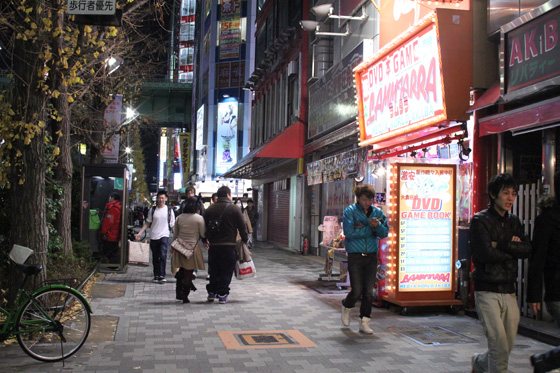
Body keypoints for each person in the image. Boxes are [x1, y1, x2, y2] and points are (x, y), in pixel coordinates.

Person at [470, 173, 532, 373]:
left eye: (513, 194)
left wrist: (501, 245)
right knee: (499, 346)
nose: (510, 198)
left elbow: (527, 249)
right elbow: (485, 253)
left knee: (506, 346)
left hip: (509, 290)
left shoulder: (514, 221)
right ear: (493, 194)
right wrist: (512, 248)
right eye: (506, 193)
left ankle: (479, 363)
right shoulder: (480, 220)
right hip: (486, 290)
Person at [340, 184, 389, 334]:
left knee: (368, 291)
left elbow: (384, 233)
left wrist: (378, 225)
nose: (366, 202)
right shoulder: (350, 211)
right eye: (363, 199)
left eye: (369, 200)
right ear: (358, 199)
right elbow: (349, 232)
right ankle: (346, 307)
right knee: (357, 290)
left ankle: (365, 321)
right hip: (355, 255)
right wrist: (370, 228)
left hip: (371, 256)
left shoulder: (378, 212)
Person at [527, 172, 560, 373]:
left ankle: (544, 361)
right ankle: (544, 362)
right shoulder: (547, 218)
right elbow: (537, 259)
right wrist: (533, 295)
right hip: (557, 291)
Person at [203, 186, 248, 304]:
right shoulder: (234, 209)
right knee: (226, 270)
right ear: (228, 195)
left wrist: (204, 240)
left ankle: (212, 292)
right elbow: (242, 227)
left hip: (214, 246)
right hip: (229, 245)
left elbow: (204, 227)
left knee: (214, 269)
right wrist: (245, 239)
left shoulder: (210, 209)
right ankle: (222, 293)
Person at [172, 197, 208, 303]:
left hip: (179, 247)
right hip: (192, 248)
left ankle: (179, 291)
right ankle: (185, 294)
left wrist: (172, 247)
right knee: (188, 272)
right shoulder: (199, 218)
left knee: (181, 269)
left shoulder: (179, 218)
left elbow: (175, 234)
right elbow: (202, 234)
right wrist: (206, 241)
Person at [136, 190, 175, 284]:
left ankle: (162, 275)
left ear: (166, 199)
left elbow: (172, 225)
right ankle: (156, 275)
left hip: (164, 235)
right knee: (155, 256)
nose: (161, 200)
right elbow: (148, 222)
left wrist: (176, 236)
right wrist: (140, 232)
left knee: (163, 255)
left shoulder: (169, 210)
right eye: (159, 198)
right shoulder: (152, 210)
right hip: (153, 236)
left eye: (163, 198)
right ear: (157, 199)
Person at [100, 192, 122, 263]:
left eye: (110, 197)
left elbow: (108, 222)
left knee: (108, 250)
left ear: (113, 198)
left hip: (110, 234)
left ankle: (111, 265)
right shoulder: (119, 207)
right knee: (113, 250)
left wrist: (103, 232)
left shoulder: (113, 209)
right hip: (115, 234)